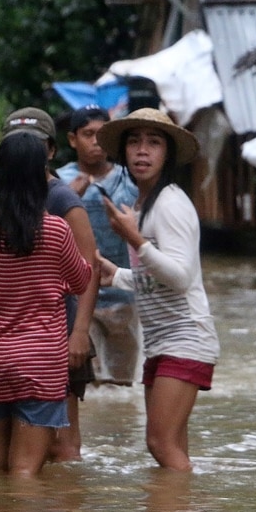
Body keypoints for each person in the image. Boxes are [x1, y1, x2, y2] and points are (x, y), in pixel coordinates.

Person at [95, 107, 218, 472]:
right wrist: (116, 275)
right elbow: (156, 280)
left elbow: (181, 278)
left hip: (186, 337)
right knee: (171, 445)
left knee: (159, 443)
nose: (142, 151)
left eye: (153, 143)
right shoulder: (142, 204)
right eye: (134, 142)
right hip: (163, 340)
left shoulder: (170, 204)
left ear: (168, 154)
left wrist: (135, 239)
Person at [0, 132, 92, 477]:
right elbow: (81, 281)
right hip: (40, 364)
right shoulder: (56, 231)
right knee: (24, 474)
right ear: (41, 173)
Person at [1, 107, 100, 463]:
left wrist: (81, 332)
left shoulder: (62, 200)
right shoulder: (6, 200)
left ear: (51, 151)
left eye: (35, 145)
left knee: (63, 444)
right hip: (20, 337)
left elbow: (90, 271)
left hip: (61, 331)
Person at [56, 105, 142, 387]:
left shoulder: (129, 179)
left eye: (101, 134)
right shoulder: (59, 181)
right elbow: (43, 228)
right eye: (87, 134)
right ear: (72, 140)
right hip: (78, 298)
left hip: (123, 294)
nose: (95, 141)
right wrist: (68, 199)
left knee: (121, 384)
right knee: (86, 383)